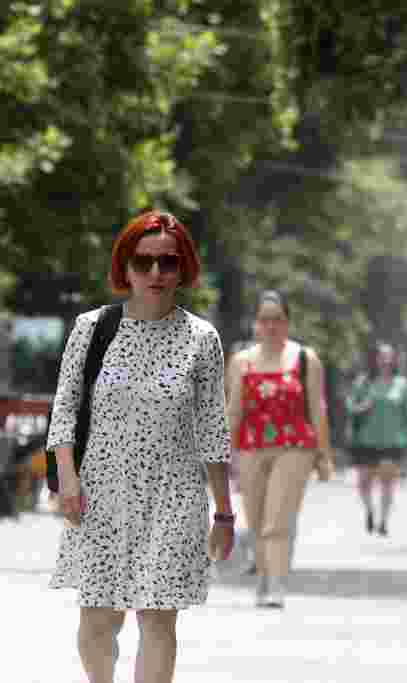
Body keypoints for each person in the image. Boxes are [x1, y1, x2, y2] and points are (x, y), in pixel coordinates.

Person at [47, 209, 233, 683]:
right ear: (125, 267)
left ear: (182, 267)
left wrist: (224, 513)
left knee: (157, 620)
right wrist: (67, 478)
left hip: (174, 495)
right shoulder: (92, 328)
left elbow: (213, 429)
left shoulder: (201, 338)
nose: (155, 272)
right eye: (143, 261)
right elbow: (65, 407)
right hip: (101, 493)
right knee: (97, 622)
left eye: (167, 262)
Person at [226, 290, 332, 608]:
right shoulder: (241, 361)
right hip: (250, 447)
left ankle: (276, 584)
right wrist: (224, 454)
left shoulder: (305, 359)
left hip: (294, 447)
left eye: (278, 319)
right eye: (264, 320)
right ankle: (263, 577)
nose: (271, 326)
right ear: (256, 324)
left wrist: (324, 455)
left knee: (277, 519)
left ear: (287, 322)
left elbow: (317, 409)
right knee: (256, 519)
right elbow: (233, 411)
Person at [346, 342, 407, 536]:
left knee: (387, 482)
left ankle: (383, 521)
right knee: (364, 482)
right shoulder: (363, 382)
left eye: (389, 356)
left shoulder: (402, 384)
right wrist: (362, 407)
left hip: (392, 441)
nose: (386, 360)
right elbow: (350, 406)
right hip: (365, 440)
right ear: (374, 359)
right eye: (382, 356)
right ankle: (369, 510)